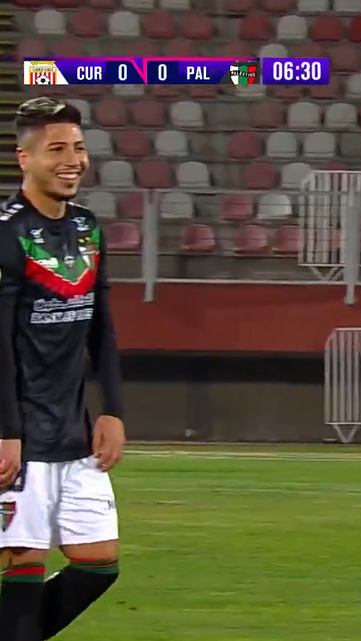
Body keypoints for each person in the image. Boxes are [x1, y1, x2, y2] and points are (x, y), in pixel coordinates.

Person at [0, 97, 126, 641]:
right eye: (57, 149)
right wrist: (6, 431)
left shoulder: (88, 228)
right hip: (21, 432)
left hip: (74, 428)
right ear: (24, 158)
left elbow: (103, 327)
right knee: (23, 568)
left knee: (99, 562)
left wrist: (113, 410)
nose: (73, 159)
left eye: (78, 147)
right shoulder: (5, 233)